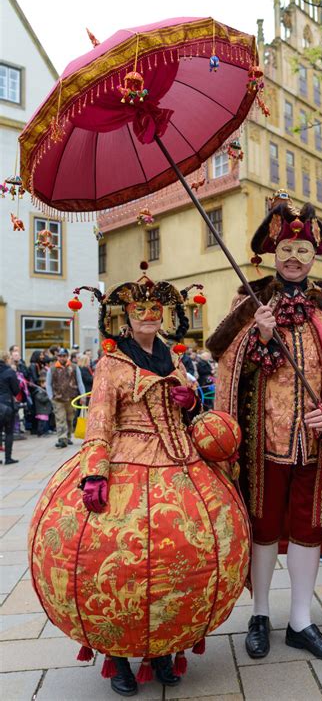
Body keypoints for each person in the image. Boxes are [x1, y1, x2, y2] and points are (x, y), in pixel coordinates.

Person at [29, 266, 250, 698]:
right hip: (126, 460)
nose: (148, 316)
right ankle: (118, 659)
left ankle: (164, 650)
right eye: (139, 309)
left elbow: (186, 407)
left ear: (164, 315)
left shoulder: (174, 356)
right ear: (125, 316)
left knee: (181, 559)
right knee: (117, 563)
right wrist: (95, 472)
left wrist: (190, 401)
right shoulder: (112, 362)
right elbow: (99, 423)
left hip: (180, 457)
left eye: (155, 309)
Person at [207, 195, 322, 664]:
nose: (294, 259)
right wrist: (256, 335)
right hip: (262, 442)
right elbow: (225, 362)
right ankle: (260, 614)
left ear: (315, 256)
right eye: (286, 251)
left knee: (307, 529)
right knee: (262, 525)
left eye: (303, 251)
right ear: (272, 253)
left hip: (316, 443)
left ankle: (301, 620)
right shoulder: (249, 300)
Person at [46, 348, 85, 448]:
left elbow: (80, 382)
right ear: (57, 357)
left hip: (71, 397)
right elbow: (48, 384)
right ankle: (62, 438)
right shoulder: (52, 368)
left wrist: (83, 395)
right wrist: (50, 396)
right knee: (60, 418)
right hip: (57, 398)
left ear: (67, 356)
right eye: (60, 356)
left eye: (64, 356)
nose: (62, 358)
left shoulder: (74, 367)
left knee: (70, 419)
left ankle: (68, 437)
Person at [0, 351, 20, 465]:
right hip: (6, 404)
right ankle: (8, 458)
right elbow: (16, 390)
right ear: (7, 359)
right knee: (8, 432)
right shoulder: (10, 372)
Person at [33, 371, 53, 437]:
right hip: (41, 410)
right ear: (41, 383)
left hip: (45, 409)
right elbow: (42, 400)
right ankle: (41, 432)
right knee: (42, 422)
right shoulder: (39, 391)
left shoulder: (45, 390)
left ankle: (45, 431)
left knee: (45, 422)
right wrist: (48, 396)